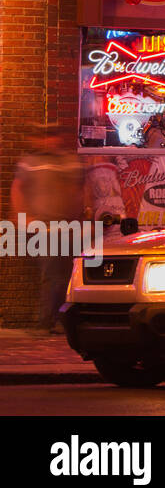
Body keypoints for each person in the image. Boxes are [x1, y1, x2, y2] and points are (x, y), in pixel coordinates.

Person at [9, 124, 86, 334]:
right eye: (46, 137)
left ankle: (56, 320)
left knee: (65, 275)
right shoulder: (31, 162)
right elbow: (17, 189)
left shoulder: (70, 161)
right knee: (53, 274)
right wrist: (23, 217)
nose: (50, 141)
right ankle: (48, 322)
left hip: (67, 227)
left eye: (53, 136)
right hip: (43, 228)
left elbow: (79, 190)